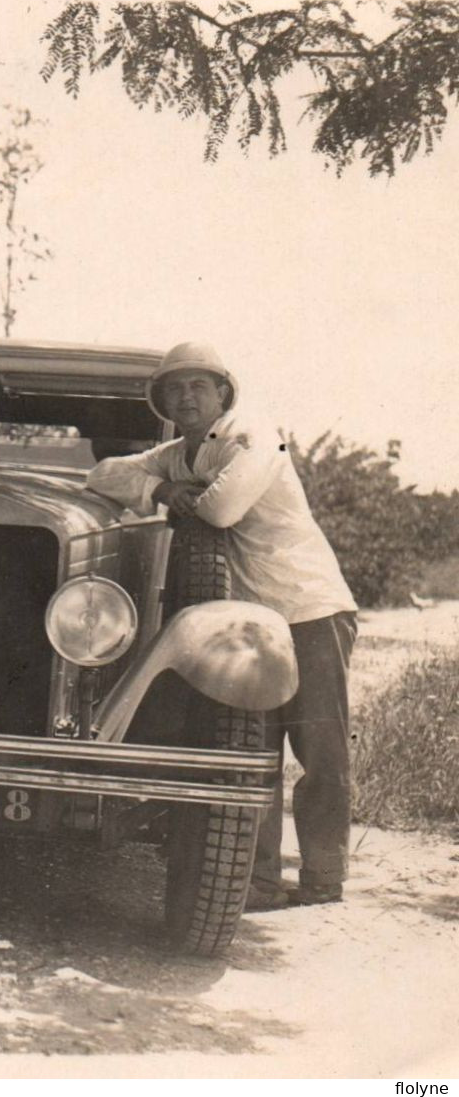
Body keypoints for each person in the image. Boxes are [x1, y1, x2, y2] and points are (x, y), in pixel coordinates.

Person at [86, 342, 358, 910]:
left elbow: (222, 509)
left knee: (320, 746)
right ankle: (257, 879)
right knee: (249, 747)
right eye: (174, 389)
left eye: (198, 387)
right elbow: (104, 474)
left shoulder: (257, 433)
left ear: (223, 393)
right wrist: (160, 488)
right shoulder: (182, 453)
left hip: (308, 606)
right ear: (160, 400)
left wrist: (179, 494)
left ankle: (323, 876)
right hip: (250, 622)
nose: (186, 398)